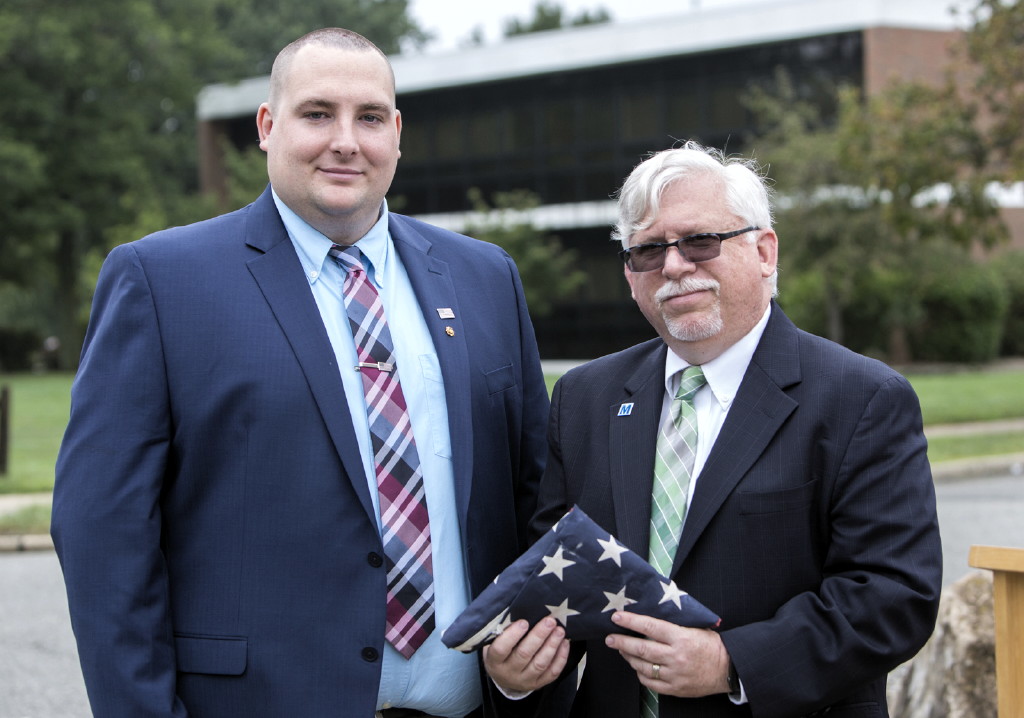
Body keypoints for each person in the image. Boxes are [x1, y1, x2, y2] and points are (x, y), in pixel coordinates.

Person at [52, 28, 551, 718]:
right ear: (267, 125)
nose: (346, 140)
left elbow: (534, 499)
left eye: (370, 117)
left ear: (397, 134)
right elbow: (102, 533)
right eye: (318, 113)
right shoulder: (161, 281)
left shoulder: (484, 277)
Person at [483, 142, 942, 717]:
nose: (675, 265)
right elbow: (552, 587)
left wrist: (731, 663)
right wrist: (515, 677)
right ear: (631, 276)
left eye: (700, 241)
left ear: (765, 250)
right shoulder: (584, 398)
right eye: (649, 250)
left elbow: (894, 598)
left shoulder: (862, 398)